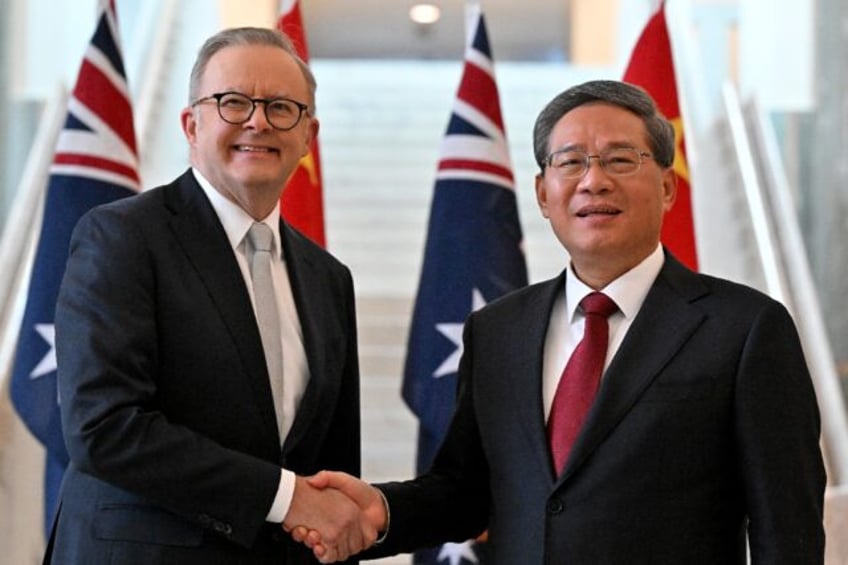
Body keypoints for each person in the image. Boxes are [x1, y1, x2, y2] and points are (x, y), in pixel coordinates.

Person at [295, 79, 827, 564]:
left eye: (620, 160)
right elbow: (467, 492)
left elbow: (787, 531)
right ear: (543, 193)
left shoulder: (745, 329)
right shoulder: (497, 331)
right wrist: (381, 512)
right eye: (570, 162)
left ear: (667, 187)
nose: (593, 181)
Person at [48, 27, 375, 564]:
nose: (258, 121)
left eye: (281, 107)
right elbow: (102, 426)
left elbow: (331, 473)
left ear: (308, 134)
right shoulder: (123, 236)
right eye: (232, 102)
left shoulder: (328, 278)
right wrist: (285, 498)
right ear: (191, 124)